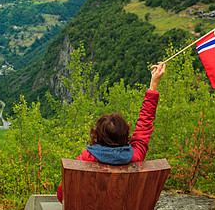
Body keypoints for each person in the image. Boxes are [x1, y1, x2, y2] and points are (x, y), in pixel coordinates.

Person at [57, 62, 166, 203]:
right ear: (125, 134)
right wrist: (153, 85)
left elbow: (62, 195)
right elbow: (145, 123)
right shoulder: (136, 155)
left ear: (97, 135)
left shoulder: (87, 159)